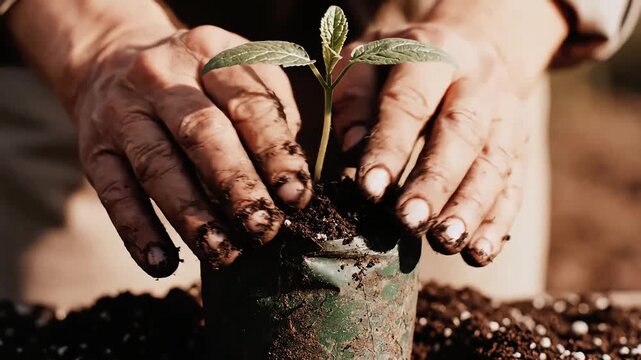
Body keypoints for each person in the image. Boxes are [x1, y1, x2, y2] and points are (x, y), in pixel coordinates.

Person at [0, 0, 638, 309]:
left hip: (447, 67)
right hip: (112, 69)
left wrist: (507, 26)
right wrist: (97, 38)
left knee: (455, 313)